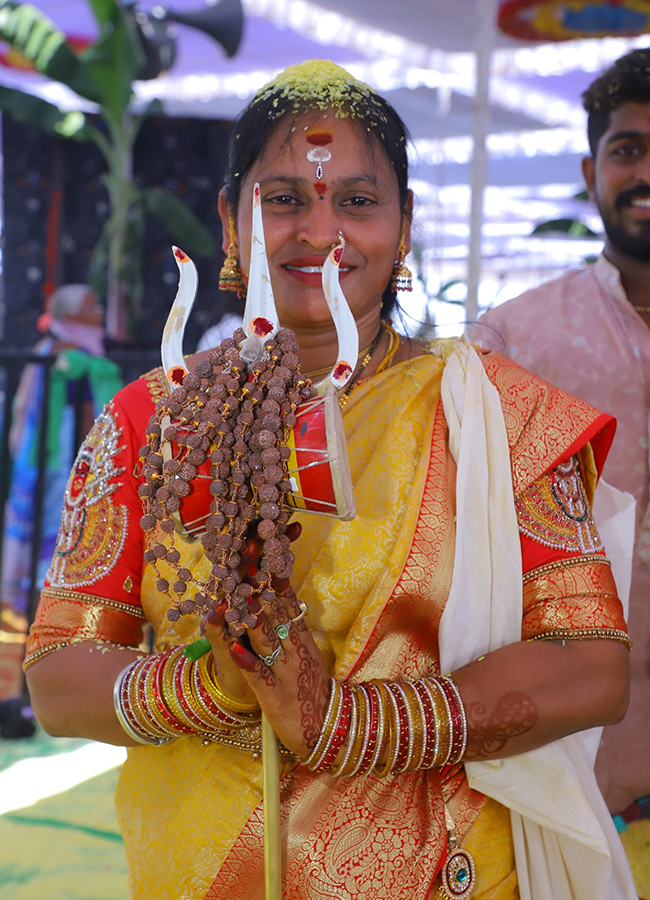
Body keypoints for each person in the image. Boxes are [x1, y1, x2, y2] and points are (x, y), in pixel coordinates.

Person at [22, 61, 635, 900]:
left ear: (405, 224)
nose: (321, 231)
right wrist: (210, 685)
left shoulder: (494, 415)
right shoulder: (148, 420)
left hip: (443, 875)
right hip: (201, 874)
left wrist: (346, 723)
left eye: (357, 200)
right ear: (231, 224)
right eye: (283, 199)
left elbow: (590, 666)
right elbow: (59, 675)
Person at [473, 48, 650, 820]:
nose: (647, 172)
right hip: (567, 768)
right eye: (628, 150)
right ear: (591, 172)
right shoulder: (513, 340)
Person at [0, 284, 121, 738]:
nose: (99, 309)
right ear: (73, 313)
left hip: (83, 463)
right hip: (55, 462)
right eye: (92, 305)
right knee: (50, 543)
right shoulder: (57, 350)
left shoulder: (86, 349)